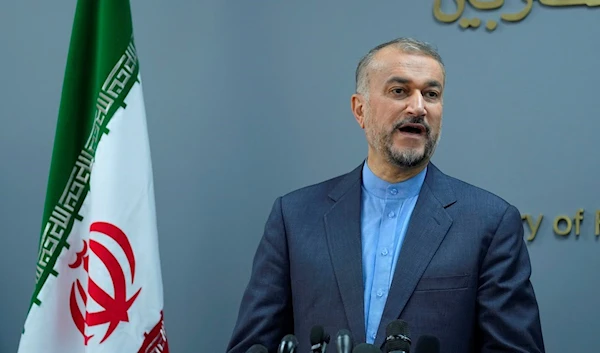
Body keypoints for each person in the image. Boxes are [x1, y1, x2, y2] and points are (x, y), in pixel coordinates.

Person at [226, 37, 545, 353]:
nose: (418, 107)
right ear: (360, 109)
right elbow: (253, 346)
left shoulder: (489, 222)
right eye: (399, 91)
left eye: (431, 94)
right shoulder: (294, 218)